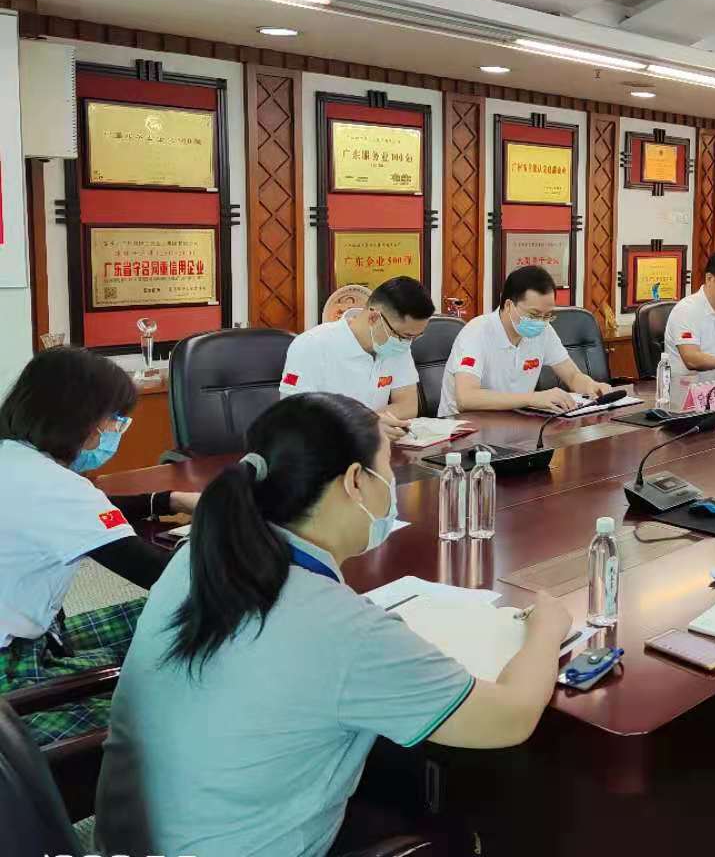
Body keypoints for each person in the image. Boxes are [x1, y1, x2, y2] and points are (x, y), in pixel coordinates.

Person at [96, 393, 571, 857]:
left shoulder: (199, 556)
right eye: (387, 471)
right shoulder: (342, 628)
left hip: (134, 838)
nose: (391, 487)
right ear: (355, 482)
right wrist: (547, 630)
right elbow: (510, 718)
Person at [0, 347, 198, 746]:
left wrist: (168, 500)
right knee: (171, 711)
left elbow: (82, 510)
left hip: (33, 640)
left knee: (152, 622)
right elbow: (163, 576)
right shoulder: (56, 487)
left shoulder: (15, 459)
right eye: (115, 419)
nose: (116, 430)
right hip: (14, 671)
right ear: (82, 420)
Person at [438, 264, 611, 416]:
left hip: (514, 423)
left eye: (547, 315)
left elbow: (572, 376)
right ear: (508, 305)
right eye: (534, 314)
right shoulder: (476, 333)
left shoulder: (544, 330)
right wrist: (532, 398)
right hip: (464, 430)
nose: (541, 322)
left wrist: (591, 385)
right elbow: (466, 398)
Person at [281, 275, 432, 440]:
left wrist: (372, 424)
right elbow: (294, 417)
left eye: (416, 337)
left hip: (374, 446)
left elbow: (408, 405)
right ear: (374, 318)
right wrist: (365, 424)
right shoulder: (311, 344)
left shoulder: (397, 346)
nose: (408, 343)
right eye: (406, 336)